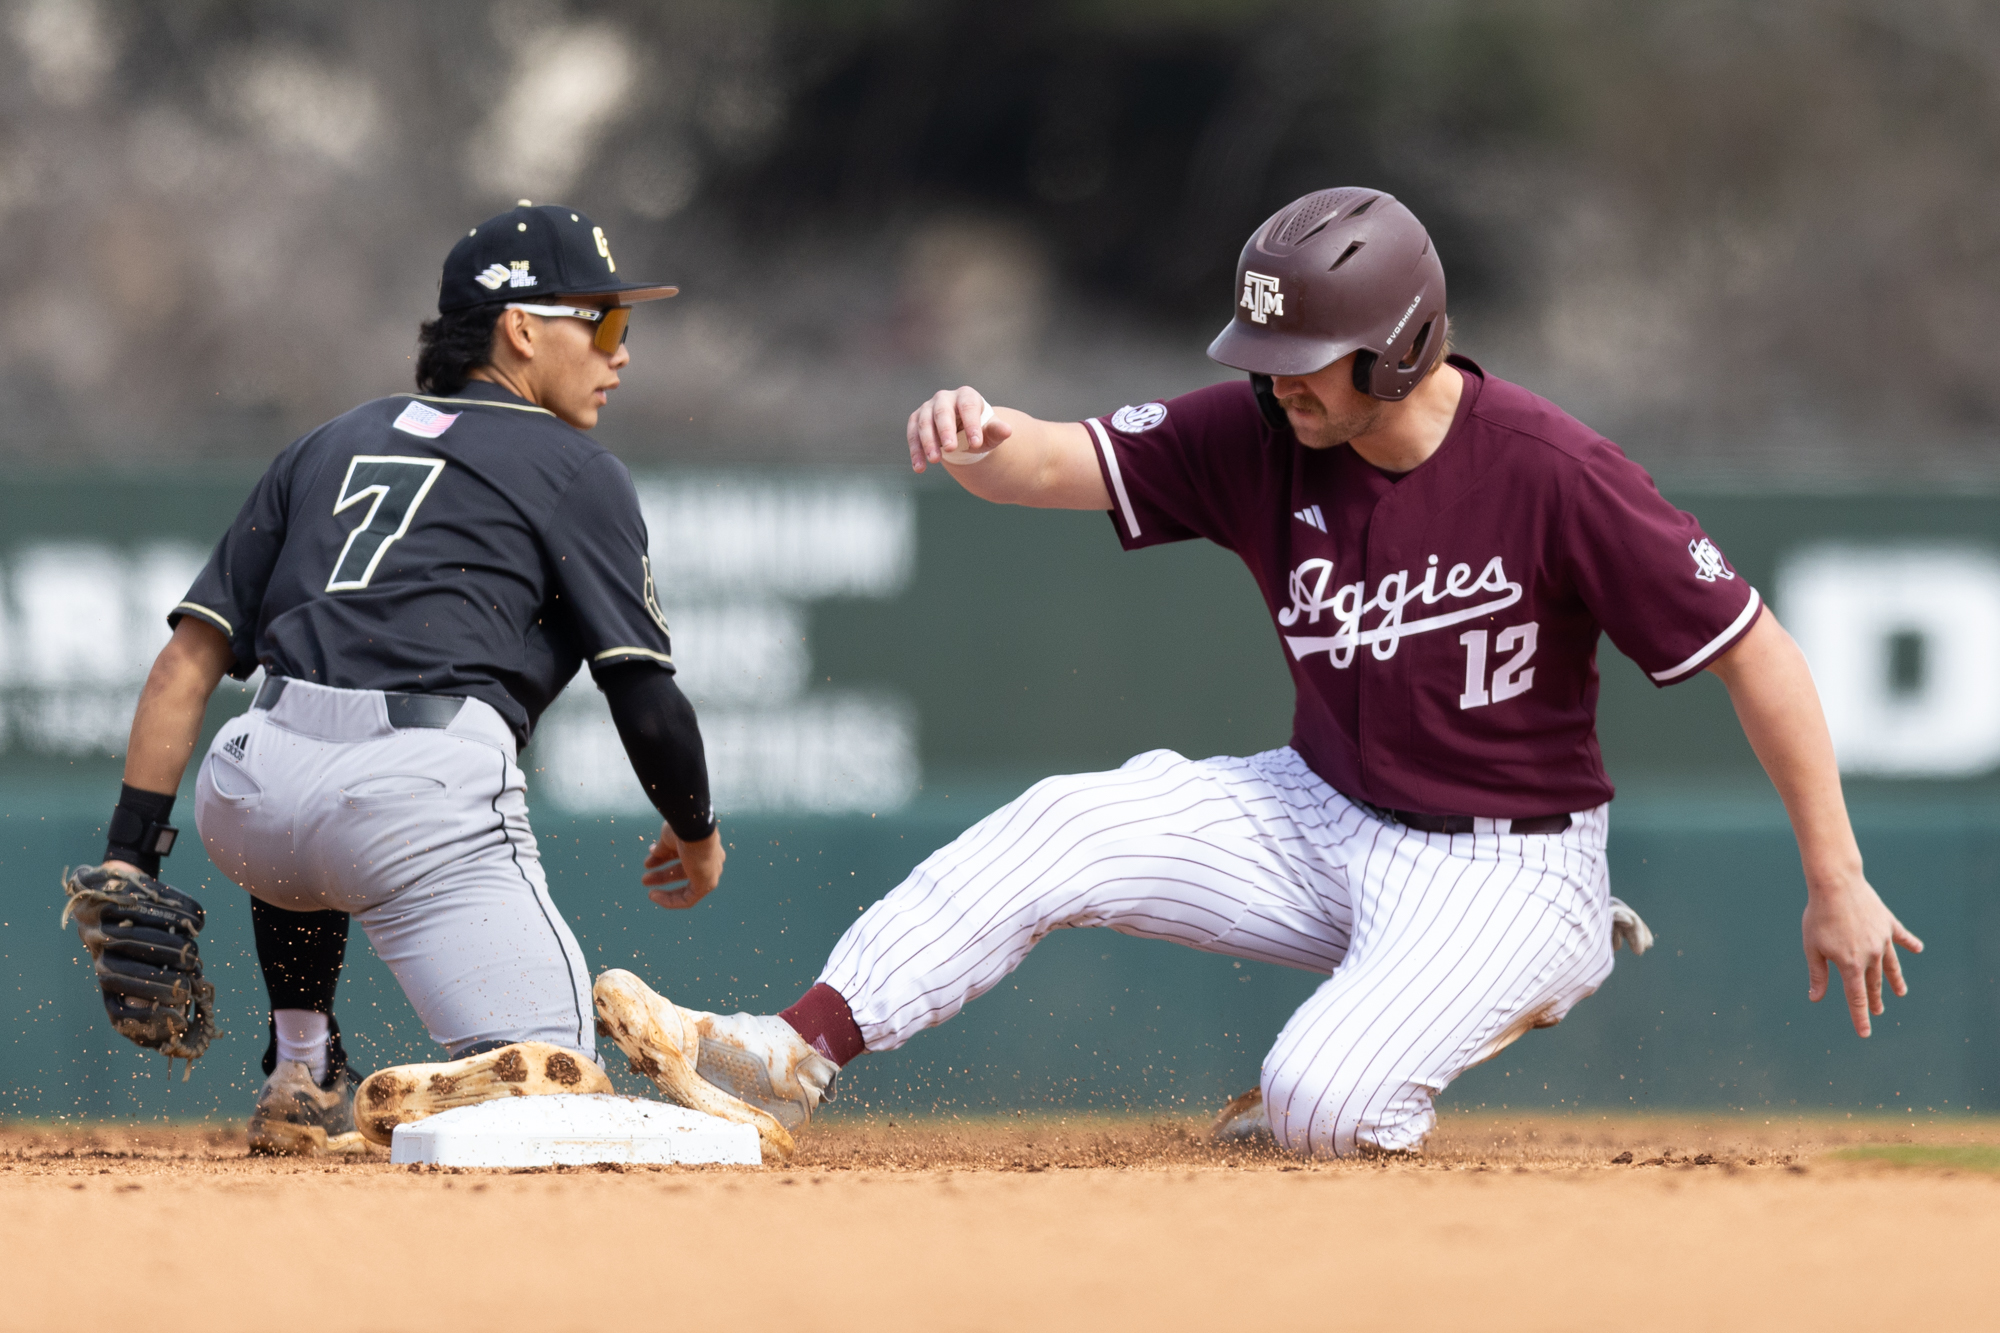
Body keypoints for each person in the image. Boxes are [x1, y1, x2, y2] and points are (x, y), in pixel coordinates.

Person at [594, 186, 1927, 1158]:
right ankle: (791, 1051)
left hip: (1507, 864)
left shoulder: (1553, 470)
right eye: (1266, 355)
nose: (1275, 382)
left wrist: (1838, 876)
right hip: (1322, 809)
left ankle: (1475, 995)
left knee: (1322, 1101)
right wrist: (982, 433)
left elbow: (1756, 647)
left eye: (1304, 359)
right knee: (1066, 821)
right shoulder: (1265, 431)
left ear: (1396, 349)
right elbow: (1058, 460)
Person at [90, 202, 724, 1155]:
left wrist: (129, 857)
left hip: (250, 792)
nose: (618, 352)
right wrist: (696, 830)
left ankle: (300, 1066)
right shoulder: (573, 465)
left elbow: (189, 659)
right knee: (560, 1094)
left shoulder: (329, 441)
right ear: (521, 327)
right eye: (603, 322)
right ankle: (451, 1089)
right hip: (414, 798)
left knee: (298, 801)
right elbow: (643, 695)